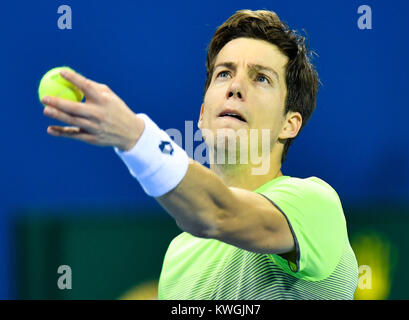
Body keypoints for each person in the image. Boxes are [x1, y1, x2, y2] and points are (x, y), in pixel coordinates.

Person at [41, 9, 359, 299]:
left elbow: (216, 214)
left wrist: (135, 136)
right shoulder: (178, 257)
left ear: (289, 124)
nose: (235, 87)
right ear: (204, 114)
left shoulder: (315, 204)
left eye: (261, 78)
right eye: (224, 73)